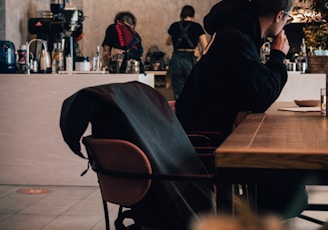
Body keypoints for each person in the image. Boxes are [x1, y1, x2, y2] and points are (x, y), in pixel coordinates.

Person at [175, 0, 308, 220]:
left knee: (289, 187)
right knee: (290, 194)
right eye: (288, 18)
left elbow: (242, 88)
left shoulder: (233, 31)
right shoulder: (236, 38)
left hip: (203, 135)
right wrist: (278, 55)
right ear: (279, 16)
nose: (286, 24)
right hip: (207, 144)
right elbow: (262, 94)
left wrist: (242, 105)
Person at [166, 5, 208, 99]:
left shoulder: (174, 26)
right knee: (192, 88)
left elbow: (167, 42)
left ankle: (179, 112)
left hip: (176, 58)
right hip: (190, 58)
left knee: (178, 90)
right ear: (193, 15)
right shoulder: (197, 27)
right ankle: (191, 111)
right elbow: (205, 46)